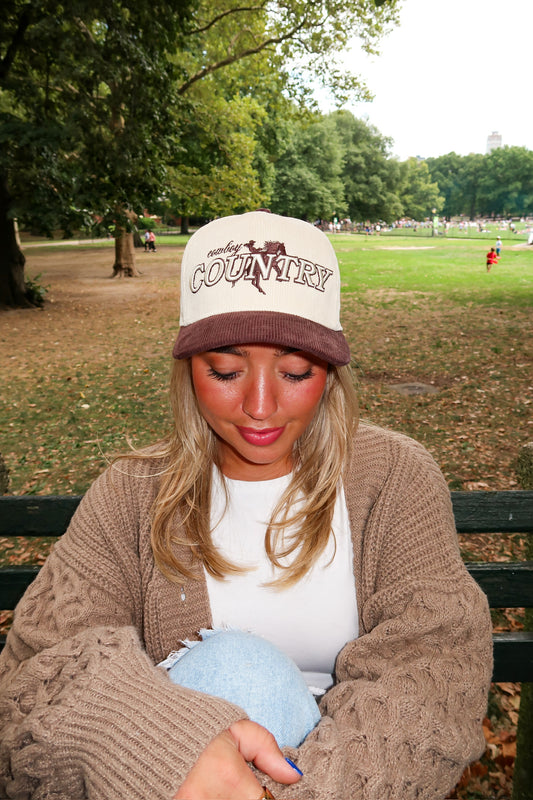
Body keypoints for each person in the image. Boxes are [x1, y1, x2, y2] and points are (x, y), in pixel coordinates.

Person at [0, 211, 493, 800]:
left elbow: (436, 675)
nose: (260, 405)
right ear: (189, 369)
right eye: (227, 371)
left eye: (296, 371)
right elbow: (38, 671)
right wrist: (162, 745)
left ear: (331, 372)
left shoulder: (394, 479)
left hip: (350, 776)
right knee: (234, 668)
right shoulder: (131, 492)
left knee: (241, 671)